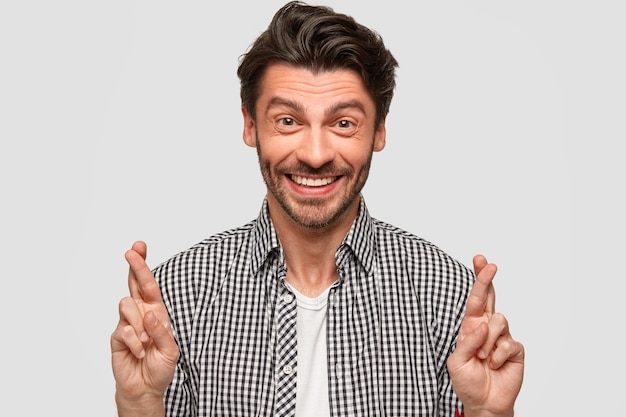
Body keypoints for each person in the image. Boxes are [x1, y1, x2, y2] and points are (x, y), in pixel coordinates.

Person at [110, 2, 525, 416]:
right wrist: (140, 402)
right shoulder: (179, 295)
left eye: (343, 123)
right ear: (250, 125)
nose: (314, 154)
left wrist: (489, 413)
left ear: (379, 130)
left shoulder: (448, 295)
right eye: (288, 121)